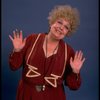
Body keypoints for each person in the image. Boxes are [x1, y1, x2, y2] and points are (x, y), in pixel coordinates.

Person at [9, 4, 85, 100]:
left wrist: (75, 71)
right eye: (59, 22)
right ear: (51, 22)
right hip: (27, 94)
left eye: (66, 27)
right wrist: (17, 50)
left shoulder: (69, 52)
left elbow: (73, 86)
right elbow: (13, 66)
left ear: (68, 32)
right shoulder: (32, 39)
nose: (61, 28)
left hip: (53, 96)